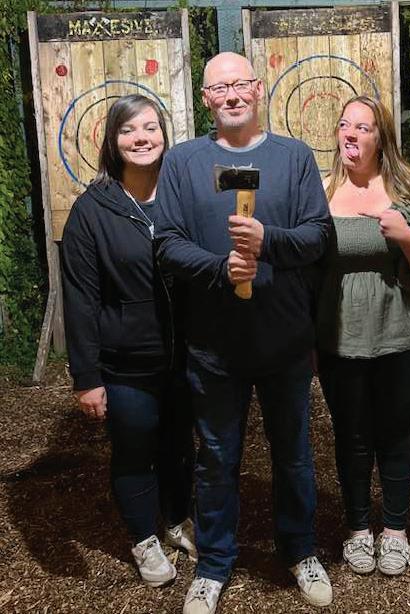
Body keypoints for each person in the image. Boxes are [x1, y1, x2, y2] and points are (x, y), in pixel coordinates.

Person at [154, 52, 333, 614]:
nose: (231, 96)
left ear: (257, 89)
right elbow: (167, 243)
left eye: (239, 85)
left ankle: (300, 550)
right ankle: (213, 564)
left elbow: (318, 234)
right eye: (218, 88)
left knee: (294, 455)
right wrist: (220, 268)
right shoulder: (183, 162)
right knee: (215, 458)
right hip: (214, 347)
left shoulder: (294, 157)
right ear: (206, 98)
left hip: (283, 342)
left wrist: (267, 240)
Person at [316, 96, 410, 576]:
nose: (351, 134)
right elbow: (307, 267)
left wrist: (407, 236)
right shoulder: (321, 190)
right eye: (344, 125)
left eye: (364, 127)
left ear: (382, 138)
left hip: (403, 335)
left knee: (396, 433)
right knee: (351, 436)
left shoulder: (409, 188)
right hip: (339, 337)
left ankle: (395, 529)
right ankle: (358, 528)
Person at [61, 94, 196, 588]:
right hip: (126, 362)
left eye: (151, 127)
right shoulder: (92, 210)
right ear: (113, 142)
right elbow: (80, 299)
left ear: (164, 135)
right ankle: (144, 539)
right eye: (129, 130)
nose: (142, 138)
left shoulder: (182, 196)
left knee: (180, 447)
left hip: (187, 356)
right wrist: (87, 377)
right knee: (135, 451)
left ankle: (177, 519)